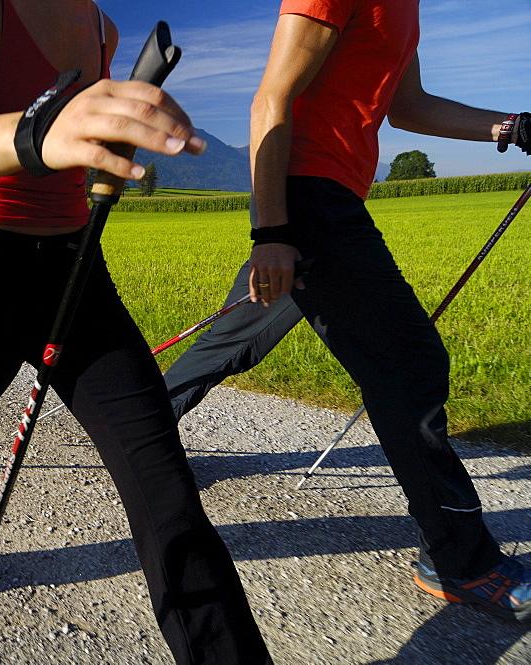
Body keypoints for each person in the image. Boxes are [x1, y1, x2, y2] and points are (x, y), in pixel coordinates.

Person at [0, 0, 274, 662]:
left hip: (78, 269)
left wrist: (102, 142)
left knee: (166, 490)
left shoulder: (100, 25)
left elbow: (74, 145)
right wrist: (37, 132)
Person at [163, 0, 531, 622]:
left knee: (233, 340)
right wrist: (271, 232)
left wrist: (512, 126)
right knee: (409, 368)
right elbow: (269, 100)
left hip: (321, 198)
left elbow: (407, 105)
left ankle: (141, 434)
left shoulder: (405, 9)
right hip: (307, 197)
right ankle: (462, 561)